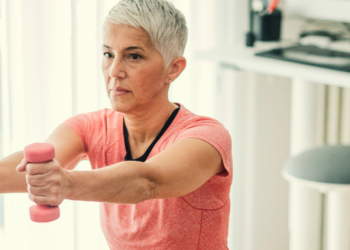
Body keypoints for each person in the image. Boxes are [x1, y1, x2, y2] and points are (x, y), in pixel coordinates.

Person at [0, 0, 233, 249]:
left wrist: (66, 184)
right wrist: (43, 174)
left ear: (173, 69)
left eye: (133, 56)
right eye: (108, 54)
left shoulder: (207, 138)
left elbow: (146, 181)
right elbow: (36, 164)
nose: (114, 71)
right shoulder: (92, 126)